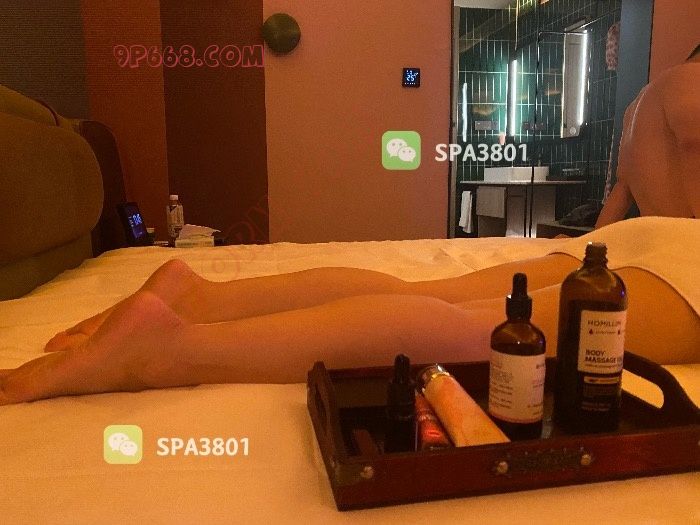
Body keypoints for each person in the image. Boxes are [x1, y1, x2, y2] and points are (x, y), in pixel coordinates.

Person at [0, 217, 698, 405]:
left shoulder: (654, 101)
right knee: (482, 334)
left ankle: (202, 298)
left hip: (657, 232)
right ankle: (172, 348)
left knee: (443, 295)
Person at [595, 44, 700, 228]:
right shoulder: (691, 77)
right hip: (686, 239)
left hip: (659, 237)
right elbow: (693, 144)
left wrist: (592, 241)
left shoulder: (636, 106)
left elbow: (622, 189)